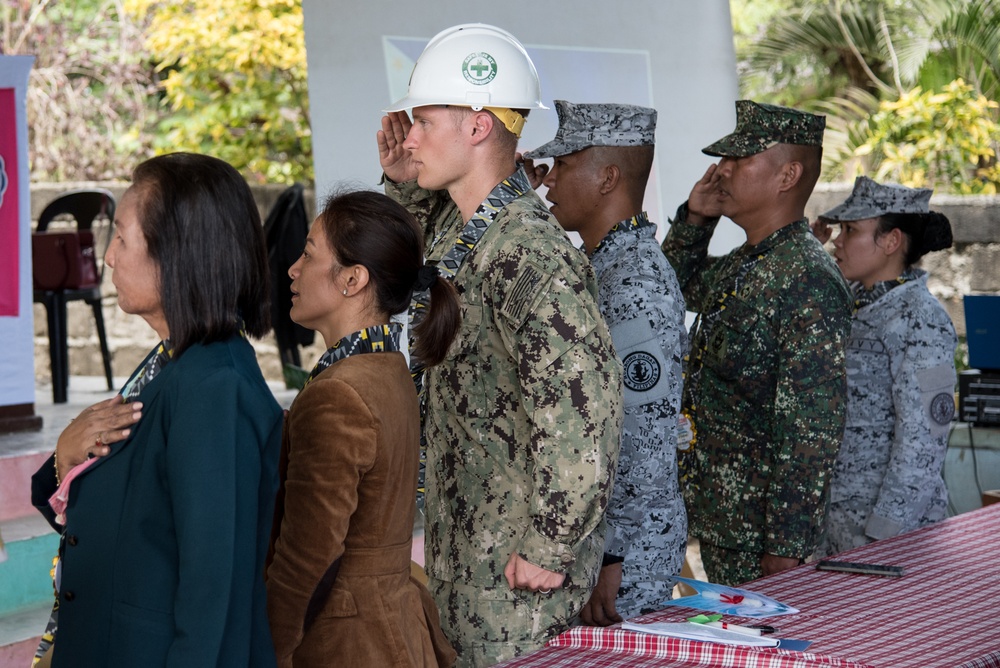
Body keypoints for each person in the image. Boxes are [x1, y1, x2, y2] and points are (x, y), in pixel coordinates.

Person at [376, 23, 623, 666]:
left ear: (479, 126)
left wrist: (550, 542)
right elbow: (400, 268)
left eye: (425, 121)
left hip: (517, 577)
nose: (411, 135)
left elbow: (583, 409)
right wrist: (402, 184)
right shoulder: (465, 224)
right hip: (470, 550)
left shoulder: (528, 251)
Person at [30, 153, 282, 667]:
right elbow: (133, 528)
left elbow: (215, 595)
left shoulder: (215, 388)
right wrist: (65, 456)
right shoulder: (170, 365)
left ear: (177, 253)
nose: (108, 258)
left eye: (122, 238)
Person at [661, 100, 852, 586]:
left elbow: (811, 429)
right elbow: (671, 291)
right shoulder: (745, 263)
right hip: (724, 520)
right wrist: (695, 221)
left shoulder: (807, 277)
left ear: (787, 176)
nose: (722, 170)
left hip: (761, 539)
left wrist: (785, 546)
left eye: (740, 160)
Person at [265, 190, 458, 667]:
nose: (292, 269)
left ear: (352, 279)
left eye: (309, 255)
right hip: (389, 621)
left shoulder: (340, 391)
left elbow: (307, 555)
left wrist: (268, 649)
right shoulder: (386, 367)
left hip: (349, 639)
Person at [522, 101, 687, 623]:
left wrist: (613, 554)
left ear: (608, 178)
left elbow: (643, 431)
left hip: (626, 552)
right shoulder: (602, 266)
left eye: (565, 166)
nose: (549, 181)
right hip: (605, 540)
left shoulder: (634, 282)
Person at [811, 176, 957, 554]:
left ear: (891, 241)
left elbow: (924, 439)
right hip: (834, 526)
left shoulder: (920, 317)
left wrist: (887, 532)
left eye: (851, 230)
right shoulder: (850, 303)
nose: (837, 241)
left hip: (889, 535)